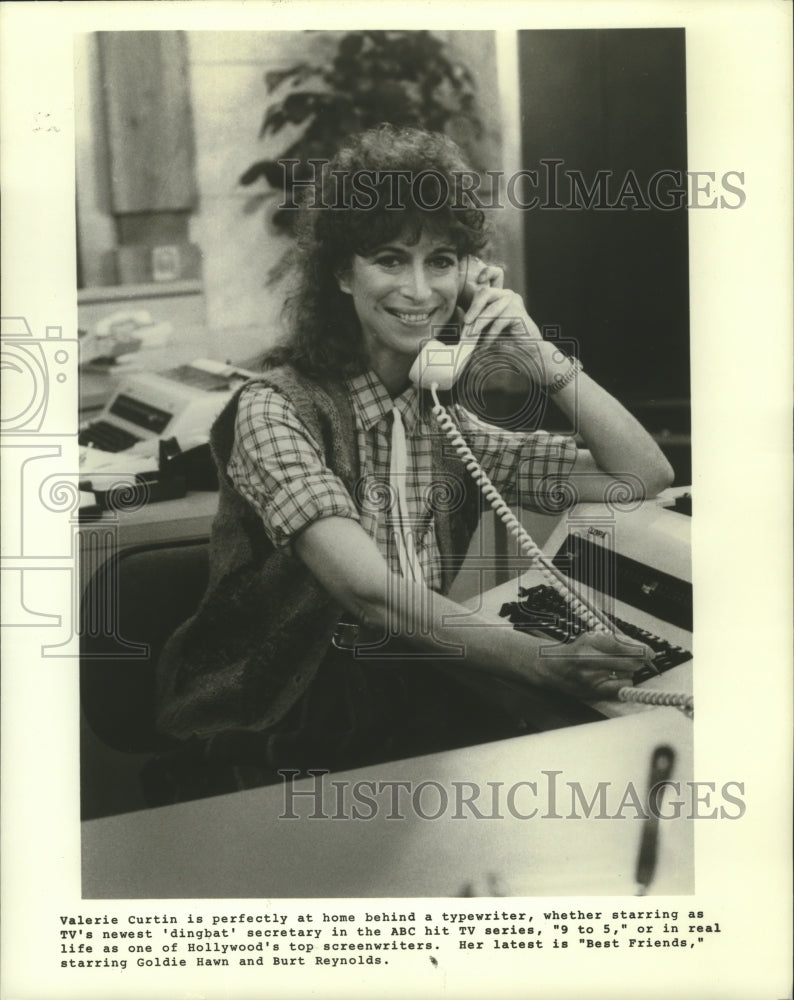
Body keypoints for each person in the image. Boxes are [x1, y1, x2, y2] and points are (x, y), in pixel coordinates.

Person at [154, 126, 673, 801]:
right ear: (343, 273)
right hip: (283, 718)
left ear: (468, 277)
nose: (419, 289)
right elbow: (367, 592)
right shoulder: (275, 410)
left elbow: (642, 476)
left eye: (442, 261)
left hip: (409, 696)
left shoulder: (447, 424)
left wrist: (538, 351)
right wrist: (541, 664)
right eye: (390, 260)